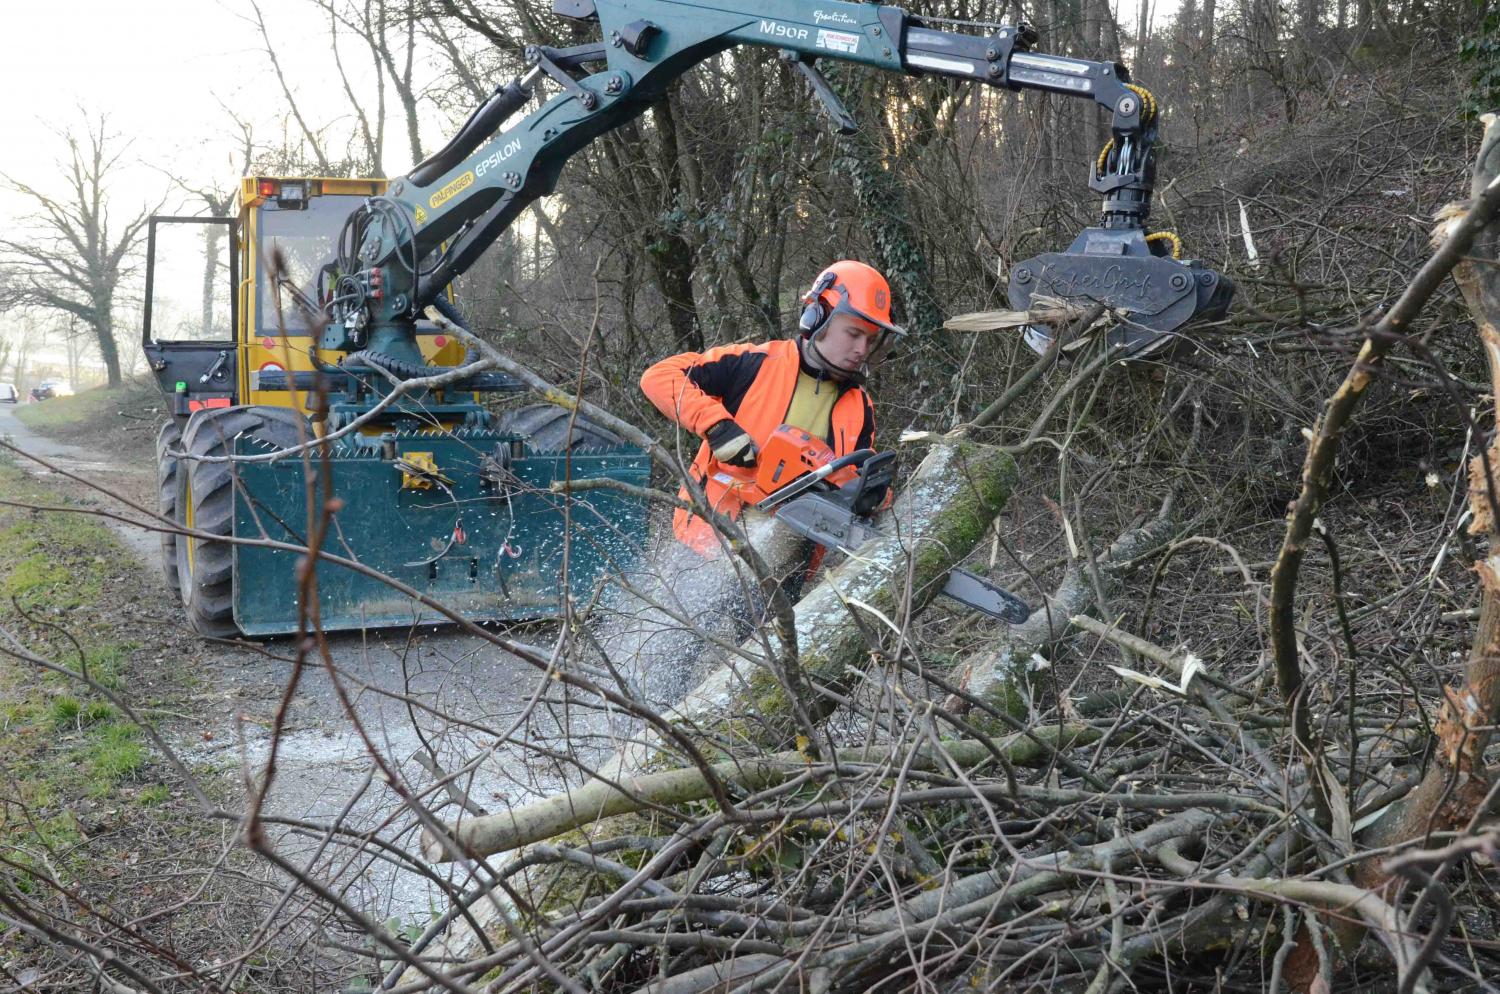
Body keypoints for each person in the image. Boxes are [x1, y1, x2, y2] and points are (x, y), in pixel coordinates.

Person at [640, 259, 902, 558]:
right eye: (853, 334)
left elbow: (848, 479)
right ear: (817, 317)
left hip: (793, 564)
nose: (861, 349)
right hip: (709, 543)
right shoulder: (754, 364)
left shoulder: (860, 407)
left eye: (869, 340)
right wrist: (717, 426)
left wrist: (870, 496)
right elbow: (658, 377)